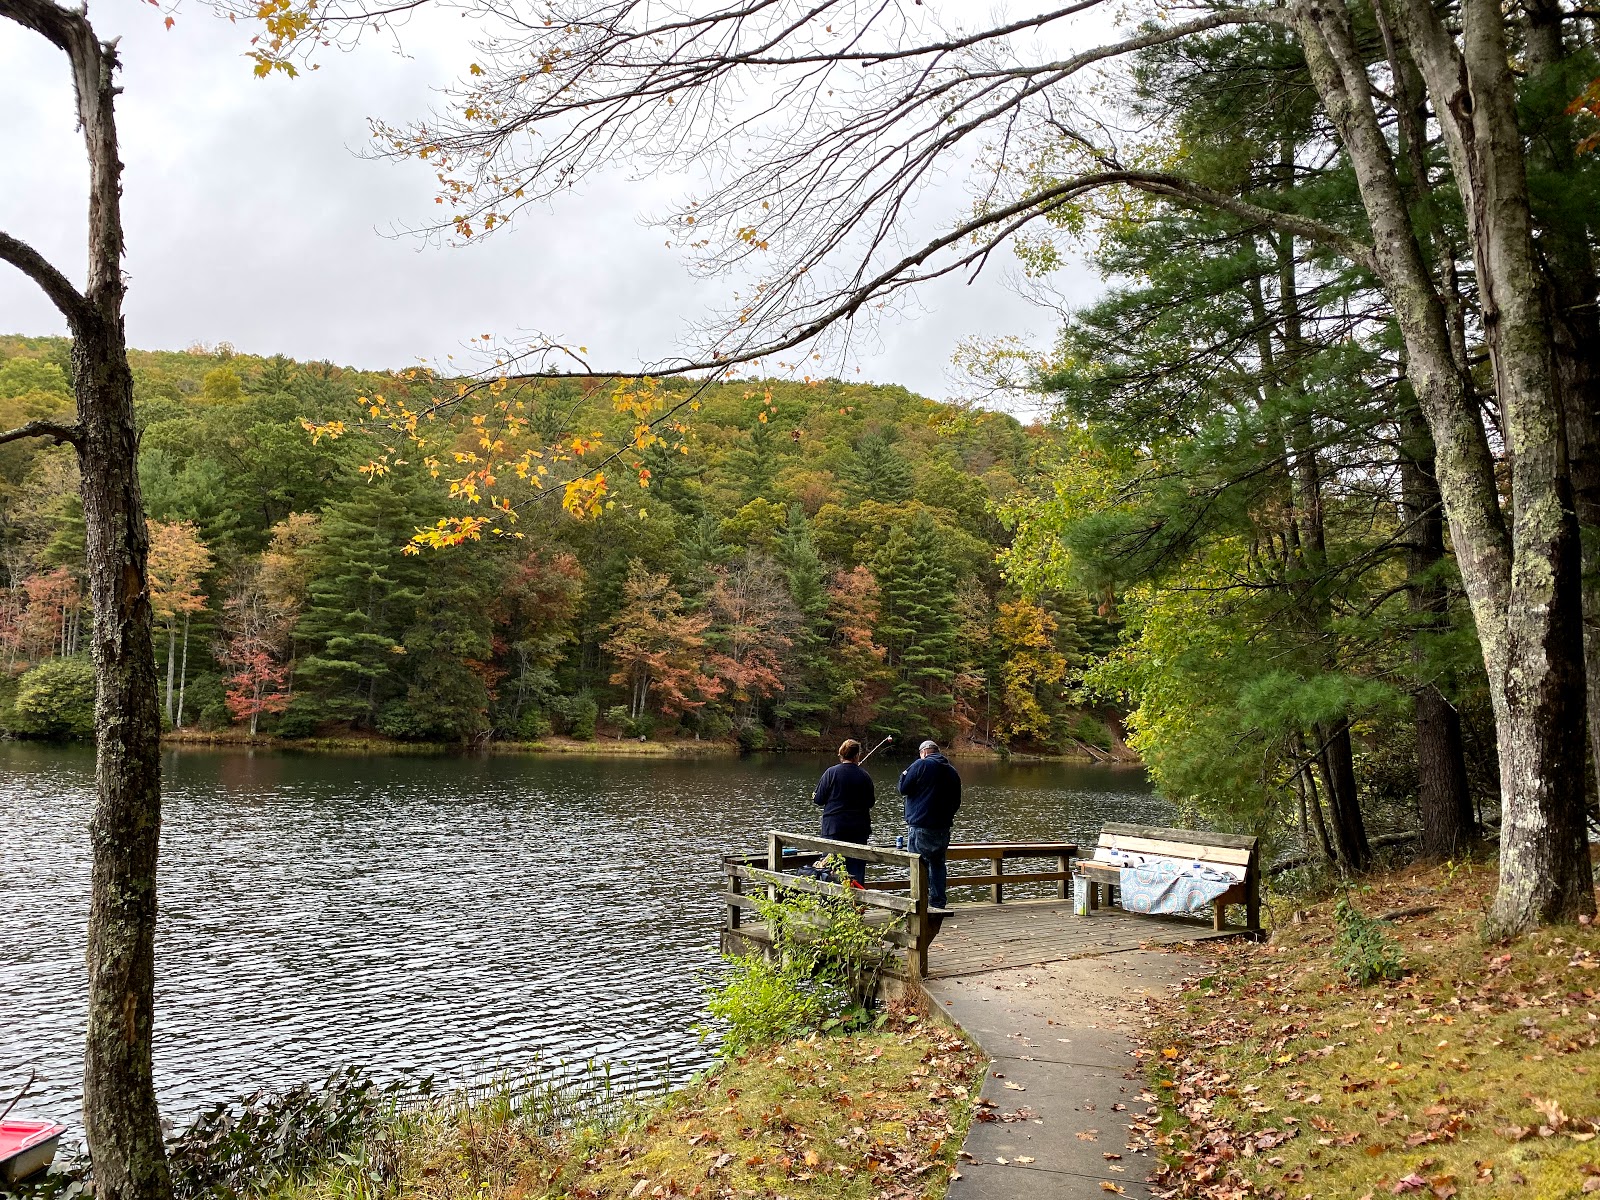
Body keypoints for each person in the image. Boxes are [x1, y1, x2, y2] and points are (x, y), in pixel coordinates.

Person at [898, 739, 961, 912]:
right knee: (938, 864)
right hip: (942, 827)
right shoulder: (952, 771)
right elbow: (956, 801)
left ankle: (919, 902)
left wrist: (905, 772)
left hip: (920, 825)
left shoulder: (921, 765)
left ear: (924, 752)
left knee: (918, 865)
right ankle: (938, 902)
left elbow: (903, 788)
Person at [812, 739, 875, 886]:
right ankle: (855, 905)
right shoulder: (864, 776)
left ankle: (833, 905)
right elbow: (870, 802)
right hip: (858, 830)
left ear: (841, 754)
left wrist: (815, 795)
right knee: (856, 871)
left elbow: (819, 799)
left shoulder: (831, 773)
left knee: (830, 870)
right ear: (857, 756)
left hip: (834, 829)